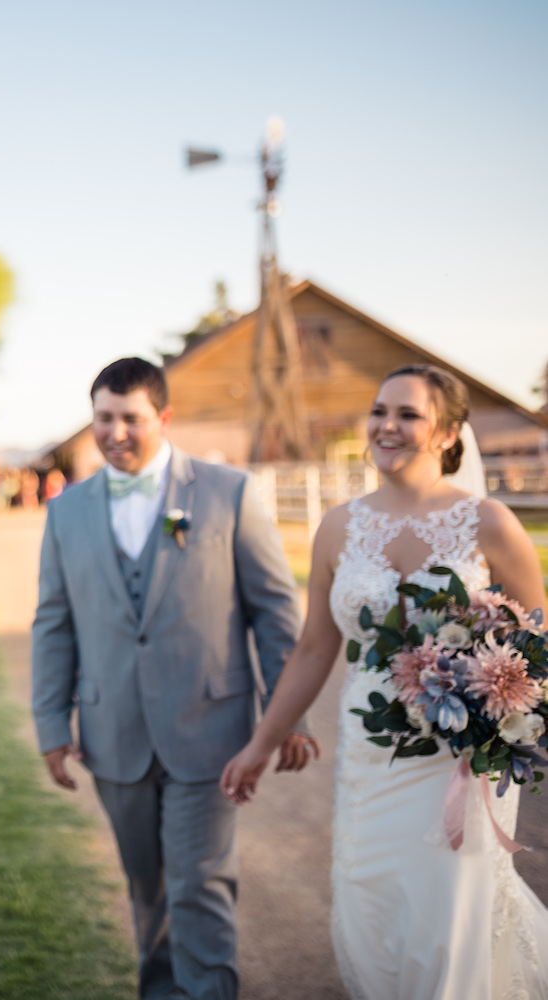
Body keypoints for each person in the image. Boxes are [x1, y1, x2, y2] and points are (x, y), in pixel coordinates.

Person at [221, 365, 548, 998]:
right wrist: (261, 743)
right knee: (373, 909)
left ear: (449, 432)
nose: (386, 426)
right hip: (369, 758)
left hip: (455, 763)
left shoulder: (489, 524)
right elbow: (316, 648)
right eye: (379, 411)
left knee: (447, 913)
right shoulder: (339, 527)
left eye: (408, 414)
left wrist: (491, 706)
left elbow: (537, 648)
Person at [33, 357, 316, 1000]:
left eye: (130, 418)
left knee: (200, 886)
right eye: (103, 418)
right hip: (111, 734)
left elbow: (276, 614)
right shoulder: (66, 511)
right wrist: (52, 724)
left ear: (162, 417)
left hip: (210, 733)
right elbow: (54, 623)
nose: (115, 433)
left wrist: (287, 717)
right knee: (147, 888)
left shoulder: (229, 492)